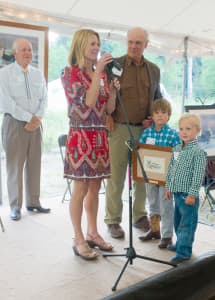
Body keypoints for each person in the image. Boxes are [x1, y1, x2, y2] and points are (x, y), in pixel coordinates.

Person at [61, 29, 120, 260]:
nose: (96, 47)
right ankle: (78, 237)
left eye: (98, 43)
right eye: (92, 44)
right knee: (81, 188)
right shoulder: (70, 73)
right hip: (80, 137)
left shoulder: (101, 75)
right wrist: (99, 74)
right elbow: (88, 101)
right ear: (80, 45)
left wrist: (113, 92)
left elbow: (108, 109)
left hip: (99, 136)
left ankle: (93, 232)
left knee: (96, 187)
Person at [105, 27, 162, 239]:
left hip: (145, 130)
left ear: (146, 44)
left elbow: (157, 98)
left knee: (142, 178)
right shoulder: (114, 65)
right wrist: (106, 116)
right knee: (116, 177)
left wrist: (154, 117)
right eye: (130, 42)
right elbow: (105, 95)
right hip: (120, 129)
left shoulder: (154, 70)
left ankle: (139, 217)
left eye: (138, 42)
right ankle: (113, 221)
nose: (133, 46)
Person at [0, 38, 50, 221]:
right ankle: (15, 206)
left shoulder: (38, 74)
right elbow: (6, 102)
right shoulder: (4, 74)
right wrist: (30, 118)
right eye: (23, 50)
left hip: (36, 124)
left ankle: (33, 202)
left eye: (30, 50)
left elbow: (44, 99)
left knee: (35, 164)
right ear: (15, 53)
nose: (28, 53)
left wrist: (37, 118)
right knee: (15, 166)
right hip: (14, 124)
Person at [138, 99, 181, 248]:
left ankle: (167, 236)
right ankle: (155, 230)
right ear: (152, 115)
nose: (160, 116)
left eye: (163, 113)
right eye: (157, 113)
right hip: (150, 176)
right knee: (152, 203)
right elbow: (141, 151)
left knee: (166, 205)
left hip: (167, 178)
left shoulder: (173, 134)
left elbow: (177, 155)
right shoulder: (146, 133)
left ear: (169, 115)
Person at [165, 114, 207, 265]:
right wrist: (169, 187)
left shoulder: (199, 153)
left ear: (197, 131)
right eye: (181, 129)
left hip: (188, 196)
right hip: (177, 193)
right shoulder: (176, 149)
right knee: (177, 222)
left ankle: (184, 251)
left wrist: (192, 194)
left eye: (188, 129)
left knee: (186, 224)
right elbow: (171, 169)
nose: (184, 132)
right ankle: (179, 244)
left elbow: (198, 176)